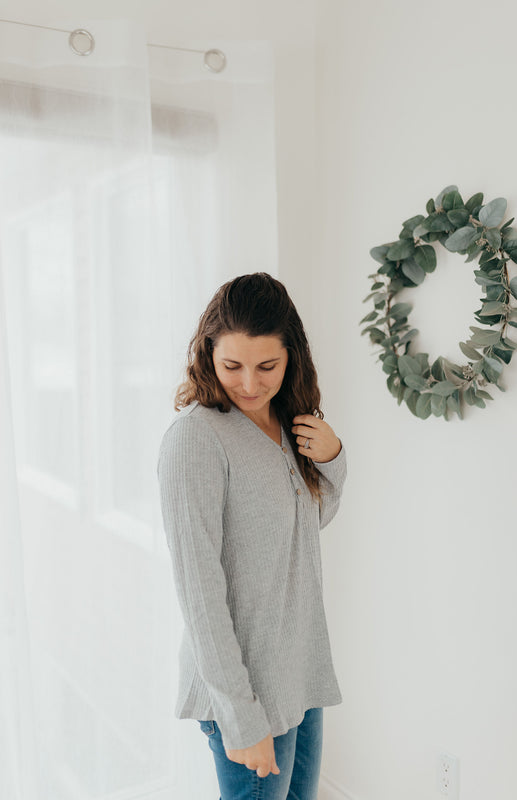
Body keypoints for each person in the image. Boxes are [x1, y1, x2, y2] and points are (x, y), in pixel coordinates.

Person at [157, 272, 347, 800]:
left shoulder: (288, 424)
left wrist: (331, 457)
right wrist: (240, 715)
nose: (248, 383)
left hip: (299, 673)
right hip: (245, 688)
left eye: (267, 366)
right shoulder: (195, 441)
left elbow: (305, 529)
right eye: (231, 365)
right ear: (207, 355)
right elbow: (199, 595)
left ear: (292, 357)